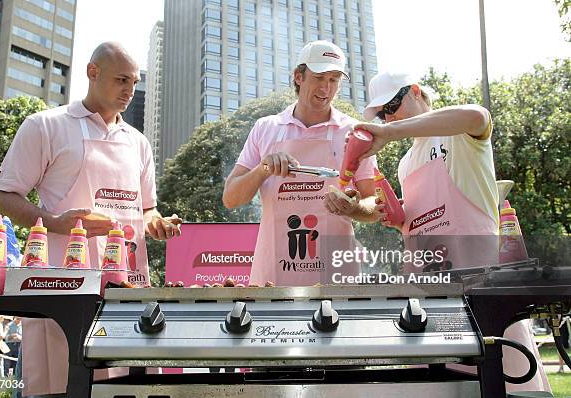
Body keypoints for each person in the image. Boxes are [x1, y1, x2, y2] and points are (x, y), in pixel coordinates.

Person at [0, 42, 182, 396]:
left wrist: (156, 223)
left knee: (130, 388)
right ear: (92, 72)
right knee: (63, 385)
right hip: (65, 291)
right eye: (121, 80)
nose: (130, 91)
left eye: (135, 82)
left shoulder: (139, 143)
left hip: (128, 289)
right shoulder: (45, 126)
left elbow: (146, 210)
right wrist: (55, 221)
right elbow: (3, 200)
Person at [353, 71, 550, 393]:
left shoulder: (456, 132)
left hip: (481, 292)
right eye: (382, 114)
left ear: (415, 91)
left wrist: (389, 131)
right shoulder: (405, 162)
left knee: (500, 382)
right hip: (432, 296)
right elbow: (424, 221)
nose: (388, 117)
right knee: (440, 386)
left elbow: (475, 116)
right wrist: (400, 219)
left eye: (391, 105)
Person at [223, 40, 380, 287]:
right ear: (298, 76)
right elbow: (231, 198)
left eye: (334, 79)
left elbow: (374, 204)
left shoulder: (355, 132)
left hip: (336, 277)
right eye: (319, 77)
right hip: (273, 277)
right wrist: (263, 169)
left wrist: (352, 208)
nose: (326, 88)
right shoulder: (266, 128)